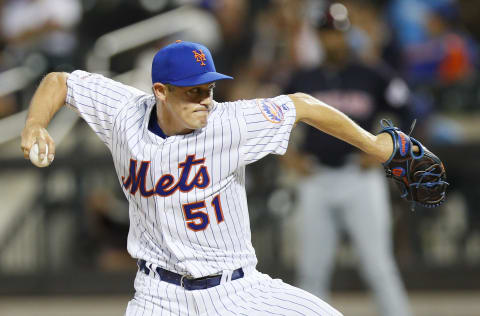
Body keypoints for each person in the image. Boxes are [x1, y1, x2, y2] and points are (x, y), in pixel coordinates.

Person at [21, 40, 401, 316]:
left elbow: (302, 105)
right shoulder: (124, 114)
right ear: (160, 92)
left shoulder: (230, 122)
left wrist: (374, 145)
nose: (206, 99)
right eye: (194, 91)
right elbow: (61, 82)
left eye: (209, 88)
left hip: (237, 290)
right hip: (159, 296)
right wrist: (35, 123)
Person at [281, 3, 413, 316]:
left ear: (346, 33)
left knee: (378, 266)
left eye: (337, 33)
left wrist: (389, 147)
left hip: (359, 178)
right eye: (326, 34)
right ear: (317, 36)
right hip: (316, 178)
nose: (332, 41)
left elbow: (409, 112)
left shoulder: (371, 73)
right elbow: (274, 120)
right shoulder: (302, 78)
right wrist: (289, 157)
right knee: (311, 269)